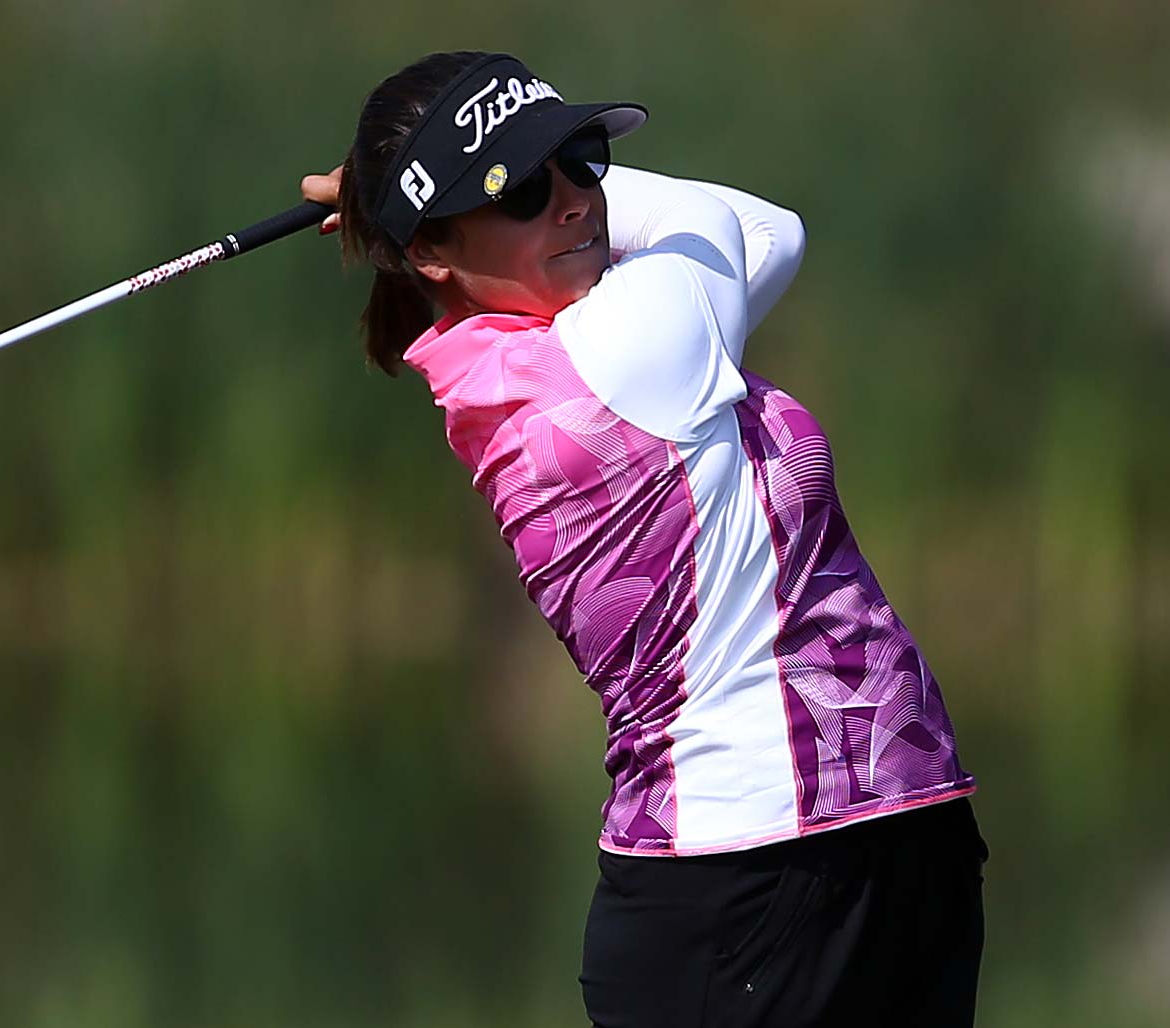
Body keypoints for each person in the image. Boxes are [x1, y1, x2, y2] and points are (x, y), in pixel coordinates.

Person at [300, 51, 989, 1027]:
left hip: (873, 841)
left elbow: (750, 237)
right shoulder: (616, 346)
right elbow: (749, 224)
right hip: (752, 882)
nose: (577, 199)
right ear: (433, 250)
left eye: (581, 159)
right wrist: (388, 198)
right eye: (523, 185)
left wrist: (403, 196)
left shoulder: (573, 343)